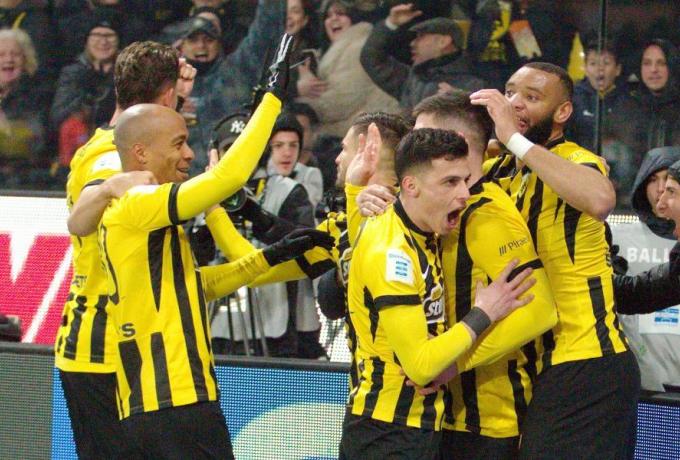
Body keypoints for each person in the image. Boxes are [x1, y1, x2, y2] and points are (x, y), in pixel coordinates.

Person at [103, 99, 332, 457]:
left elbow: (196, 285)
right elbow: (228, 178)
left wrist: (268, 257)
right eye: (179, 144)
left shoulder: (140, 213)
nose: (189, 154)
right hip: (173, 396)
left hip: (154, 399)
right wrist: (271, 100)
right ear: (141, 153)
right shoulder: (140, 203)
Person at [352, 92, 557, 459]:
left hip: (482, 419)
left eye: (422, 134)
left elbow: (539, 310)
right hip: (419, 416)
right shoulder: (415, 211)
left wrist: (454, 364)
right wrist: (357, 196)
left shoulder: (486, 213)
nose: (413, 144)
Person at [475, 62, 639, 459]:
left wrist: (512, 139)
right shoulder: (496, 171)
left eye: (531, 97)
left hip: (587, 362)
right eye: (510, 92)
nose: (515, 103)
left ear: (562, 111)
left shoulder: (575, 159)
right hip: (525, 366)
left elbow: (600, 199)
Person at [53, 41, 197, 459]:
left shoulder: (111, 143)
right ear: (166, 95)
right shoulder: (109, 159)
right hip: (104, 346)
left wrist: (176, 103)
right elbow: (84, 212)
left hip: (123, 343)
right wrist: (108, 189)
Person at [614, 146, 680, 391]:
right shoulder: (619, 237)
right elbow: (639, 293)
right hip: (642, 382)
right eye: (653, 180)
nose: (661, 196)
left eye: (671, 189)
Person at [296, 0, 400, 138]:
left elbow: (341, 102)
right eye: (328, 15)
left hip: (372, 133)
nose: (334, 18)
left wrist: (299, 100)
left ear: (353, 18)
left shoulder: (358, 47)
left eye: (341, 13)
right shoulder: (336, 52)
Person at [359, 4, 484, 111]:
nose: (412, 43)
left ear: (443, 42)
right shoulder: (411, 78)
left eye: (420, 37)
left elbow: (484, 123)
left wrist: (461, 103)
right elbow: (372, 58)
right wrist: (390, 24)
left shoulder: (475, 85)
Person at [51, 15, 120, 170]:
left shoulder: (127, 73)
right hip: (75, 154)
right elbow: (58, 114)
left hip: (114, 149)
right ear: (86, 40)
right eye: (97, 35)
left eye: (109, 36)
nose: (103, 42)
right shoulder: (72, 74)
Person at [0, 28, 51, 189]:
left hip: (25, 182)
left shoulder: (38, 95)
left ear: (26, 60)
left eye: (15, 54)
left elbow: (36, 142)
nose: (8, 59)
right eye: (1, 54)